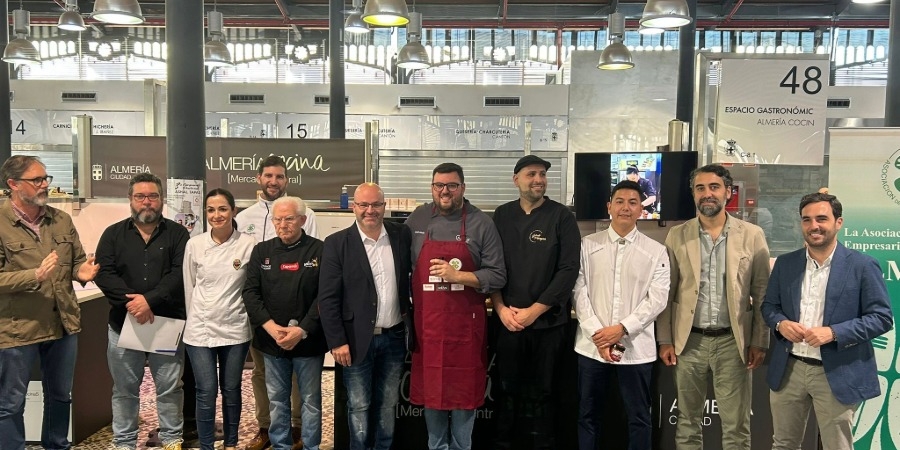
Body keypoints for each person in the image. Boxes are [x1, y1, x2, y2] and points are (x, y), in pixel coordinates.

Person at [762, 193, 893, 450]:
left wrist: (834, 332)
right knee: (783, 444)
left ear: (838, 222)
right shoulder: (786, 264)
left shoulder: (863, 265)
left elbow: (881, 318)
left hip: (837, 371)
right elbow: (769, 307)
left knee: (837, 446)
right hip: (789, 369)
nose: (814, 226)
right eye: (807, 219)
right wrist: (780, 324)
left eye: (821, 219)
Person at [657, 164, 770, 450]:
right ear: (694, 194)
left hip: (733, 343)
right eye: (700, 188)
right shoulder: (677, 235)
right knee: (687, 424)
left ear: (728, 192)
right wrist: (665, 339)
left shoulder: (752, 235)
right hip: (689, 343)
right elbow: (667, 292)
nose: (707, 193)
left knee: (736, 428)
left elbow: (762, 293)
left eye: (714, 187)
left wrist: (759, 341)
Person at [405, 162, 506, 450]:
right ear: (432, 188)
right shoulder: (417, 219)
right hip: (428, 329)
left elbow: (498, 275)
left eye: (452, 185)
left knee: (464, 398)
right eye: (439, 185)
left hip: (465, 330)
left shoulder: (481, 223)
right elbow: (402, 267)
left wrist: (458, 276)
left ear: (463, 187)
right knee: (432, 396)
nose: (445, 191)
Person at [0, 156, 99, 450]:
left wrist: (82, 272)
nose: (44, 185)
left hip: (62, 324)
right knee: (11, 402)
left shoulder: (61, 220)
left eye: (46, 178)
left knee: (60, 396)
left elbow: (76, 261)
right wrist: (34, 275)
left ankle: (57, 445)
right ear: (13, 184)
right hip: (18, 330)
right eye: (37, 180)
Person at [490, 155, 580, 450]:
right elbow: (492, 266)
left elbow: (568, 269)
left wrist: (534, 311)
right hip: (508, 323)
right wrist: (500, 309)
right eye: (531, 174)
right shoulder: (502, 215)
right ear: (516, 179)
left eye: (542, 174)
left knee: (545, 393)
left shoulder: (562, 217)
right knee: (506, 392)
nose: (539, 179)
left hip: (549, 325)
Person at [95, 172, 190, 450]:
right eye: (140, 196)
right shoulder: (112, 234)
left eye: (152, 196)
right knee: (124, 390)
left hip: (166, 323)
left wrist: (149, 301)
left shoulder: (178, 234)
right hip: (123, 324)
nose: (146, 202)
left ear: (161, 199)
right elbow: (105, 274)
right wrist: (135, 305)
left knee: (170, 388)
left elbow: (179, 274)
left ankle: (171, 439)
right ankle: (124, 442)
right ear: (130, 199)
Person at [573, 180, 669, 450]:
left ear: (641, 210)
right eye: (620, 201)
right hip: (591, 348)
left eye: (633, 202)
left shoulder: (656, 251)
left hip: (636, 349)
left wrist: (622, 329)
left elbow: (657, 299)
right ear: (609, 206)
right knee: (588, 415)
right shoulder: (586, 245)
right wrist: (599, 335)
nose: (625, 208)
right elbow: (578, 291)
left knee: (639, 417)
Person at [318, 182, 412, 450]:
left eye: (376, 204)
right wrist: (337, 341)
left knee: (388, 403)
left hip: (394, 337)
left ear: (384, 206)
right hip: (355, 340)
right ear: (354, 207)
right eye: (363, 205)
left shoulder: (401, 235)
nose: (370, 210)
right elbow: (327, 298)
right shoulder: (337, 243)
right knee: (359, 405)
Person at [236, 155, 317, 450]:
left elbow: (313, 269)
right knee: (261, 375)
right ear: (259, 178)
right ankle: (265, 428)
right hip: (262, 318)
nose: (273, 181)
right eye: (268, 176)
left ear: (286, 180)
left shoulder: (307, 214)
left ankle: (296, 429)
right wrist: (268, 324)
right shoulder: (243, 218)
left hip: (300, 318)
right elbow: (246, 276)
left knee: (298, 380)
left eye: (279, 176)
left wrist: (301, 326)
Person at [182, 188, 257, 450]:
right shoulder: (195, 244)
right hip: (200, 328)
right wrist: (193, 318)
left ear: (234, 211)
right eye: (211, 210)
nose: (217, 215)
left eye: (223, 209)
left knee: (231, 388)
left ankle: (231, 443)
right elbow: (189, 287)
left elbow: (252, 287)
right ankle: (206, 445)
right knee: (206, 390)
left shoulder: (248, 244)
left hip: (235, 326)